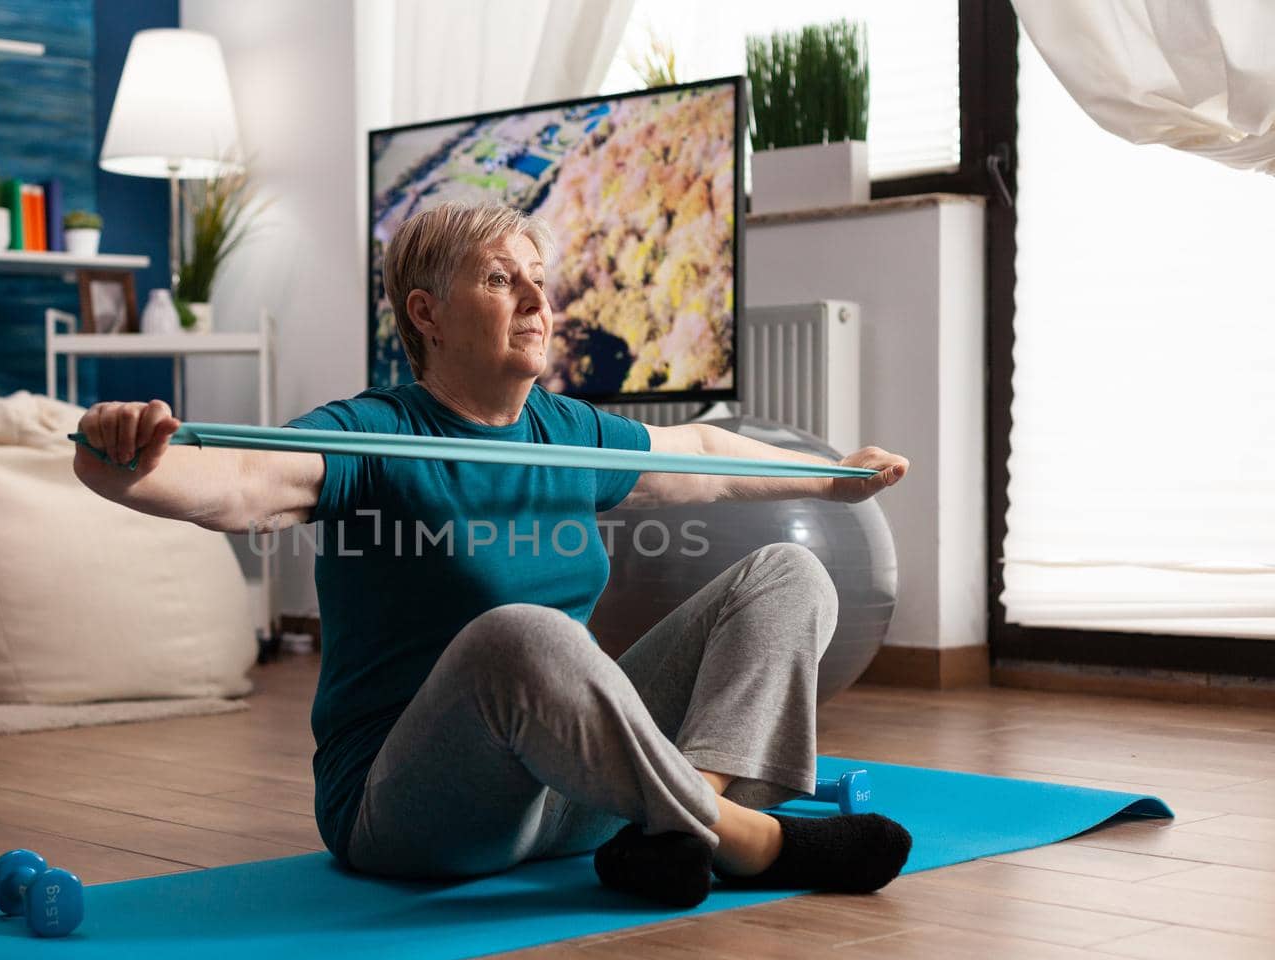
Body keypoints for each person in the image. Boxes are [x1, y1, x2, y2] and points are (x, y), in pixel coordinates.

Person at [74, 201, 913, 908]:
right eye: (500, 279)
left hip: (578, 795)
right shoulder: (376, 434)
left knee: (789, 575)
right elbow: (241, 483)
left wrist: (829, 478)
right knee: (521, 633)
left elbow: (703, 454)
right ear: (427, 314)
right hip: (415, 815)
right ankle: (751, 839)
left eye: (539, 282)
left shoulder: (565, 431)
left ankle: (677, 832)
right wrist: (128, 466)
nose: (536, 302)